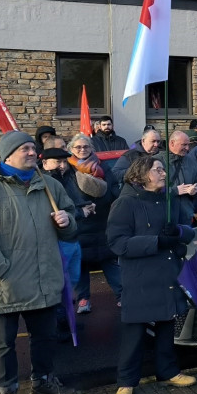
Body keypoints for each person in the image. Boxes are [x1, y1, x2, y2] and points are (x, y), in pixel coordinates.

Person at [0, 131, 78, 394]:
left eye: (32, 148)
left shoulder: (49, 186)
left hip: (43, 280)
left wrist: (67, 222)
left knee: (45, 338)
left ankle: (44, 383)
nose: (31, 153)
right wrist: (2, 269)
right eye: (25, 148)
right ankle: (5, 392)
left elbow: (71, 227)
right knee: (2, 345)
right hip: (5, 284)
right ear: (8, 154)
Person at [106, 156, 197, 394]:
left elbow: (188, 230)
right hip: (140, 277)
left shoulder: (170, 200)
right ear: (140, 175)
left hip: (168, 273)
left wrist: (177, 233)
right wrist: (156, 241)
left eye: (163, 169)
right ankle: (126, 381)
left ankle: (168, 371)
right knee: (134, 333)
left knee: (167, 327)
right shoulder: (125, 203)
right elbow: (117, 243)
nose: (164, 174)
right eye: (158, 170)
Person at [39, 147, 90, 339]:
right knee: (61, 283)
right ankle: (59, 323)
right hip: (58, 241)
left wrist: (83, 207)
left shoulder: (68, 178)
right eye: (56, 161)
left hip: (73, 238)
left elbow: (70, 205)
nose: (61, 165)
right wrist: (80, 213)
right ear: (44, 163)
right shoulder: (43, 183)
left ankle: (68, 320)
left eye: (63, 161)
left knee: (72, 282)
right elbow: (53, 214)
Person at [67, 133, 121, 314]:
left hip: (103, 222)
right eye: (78, 147)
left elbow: (114, 189)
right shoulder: (68, 170)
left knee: (109, 261)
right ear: (71, 150)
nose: (82, 150)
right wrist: (81, 208)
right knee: (81, 264)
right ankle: (83, 299)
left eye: (86, 147)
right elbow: (66, 195)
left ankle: (122, 296)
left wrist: (106, 202)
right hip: (80, 224)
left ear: (92, 148)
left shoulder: (103, 167)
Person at [165, 131, 197, 226]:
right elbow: (150, 188)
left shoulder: (191, 162)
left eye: (188, 145)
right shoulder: (157, 162)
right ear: (172, 143)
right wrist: (174, 191)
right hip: (165, 216)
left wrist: (196, 190)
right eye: (184, 145)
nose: (187, 148)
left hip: (186, 216)